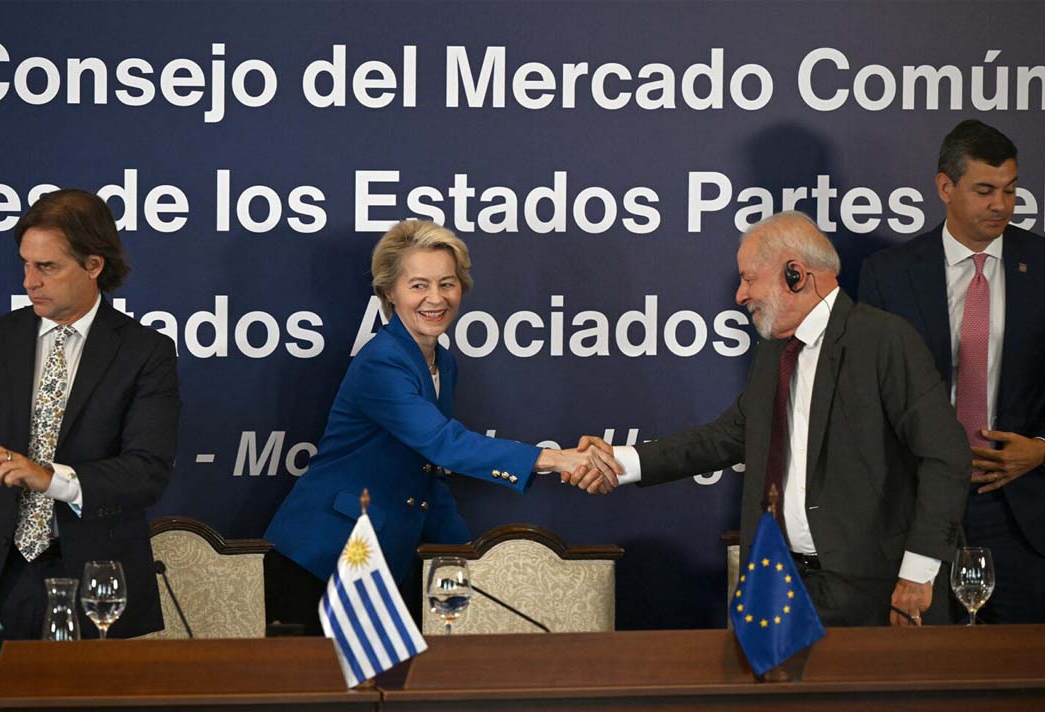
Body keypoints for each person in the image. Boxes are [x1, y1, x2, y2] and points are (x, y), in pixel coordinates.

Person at [572, 211, 970, 627]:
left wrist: (918, 573)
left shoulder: (883, 339)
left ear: (795, 275)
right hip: (782, 587)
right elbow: (726, 437)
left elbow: (947, 457)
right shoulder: (773, 353)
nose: (740, 295)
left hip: (877, 593)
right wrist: (619, 463)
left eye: (748, 278)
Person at [264, 220, 617, 632]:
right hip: (322, 557)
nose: (436, 298)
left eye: (447, 283)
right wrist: (555, 459)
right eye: (418, 285)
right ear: (389, 292)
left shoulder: (441, 362)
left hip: (378, 557)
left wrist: (466, 556)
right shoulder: (382, 361)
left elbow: (427, 476)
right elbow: (442, 444)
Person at [859, 120, 1045, 623]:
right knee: (929, 678)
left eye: (1009, 190)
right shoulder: (889, 274)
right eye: (984, 191)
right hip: (920, 510)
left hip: (1021, 510)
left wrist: (1043, 449)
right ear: (945, 187)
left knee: (1019, 680)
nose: (1001, 205)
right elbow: (867, 396)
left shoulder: (1042, 265)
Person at [0, 189, 180, 640]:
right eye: (25, 264)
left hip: (96, 579)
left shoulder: (146, 352)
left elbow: (147, 472)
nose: (29, 282)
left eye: (47, 267)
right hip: (4, 572)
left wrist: (48, 477)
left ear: (93, 266)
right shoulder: (0, 339)